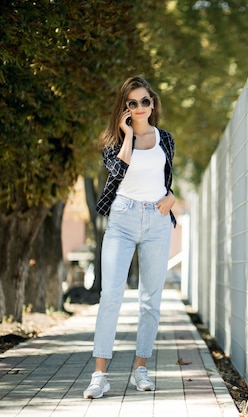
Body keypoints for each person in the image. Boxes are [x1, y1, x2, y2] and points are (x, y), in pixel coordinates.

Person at [83, 76, 176, 399]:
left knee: (150, 300)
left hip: (157, 220)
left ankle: (140, 369)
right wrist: (126, 135)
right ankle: (99, 376)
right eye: (132, 103)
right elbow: (118, 171)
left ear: (153, 104)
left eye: (144, 102)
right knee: (111, 296)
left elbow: (165, 178)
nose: (139, 108)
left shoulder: (165, 139)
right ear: (124, 108)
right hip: (122, 218)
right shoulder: (112, 141)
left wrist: (171, 196)